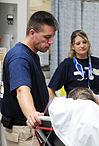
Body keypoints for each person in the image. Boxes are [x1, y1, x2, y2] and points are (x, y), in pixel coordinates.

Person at [0, 11, 58, 146]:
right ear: (32, 33)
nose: (51, 42)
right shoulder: (20, 57)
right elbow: (22, 90)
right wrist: (32, 114)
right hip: (24, 131)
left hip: (30, 128)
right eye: (47, 37)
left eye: (52, 37)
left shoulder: (32, 55)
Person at [48, 30, 99, 98]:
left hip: (95, 104)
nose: (82, 46)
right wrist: (61, 105)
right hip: (75, 105)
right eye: (78, 43)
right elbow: (50, 90)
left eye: (84, 42)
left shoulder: (97, 62)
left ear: (88, 44)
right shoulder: (67, 64)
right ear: (72, 46)